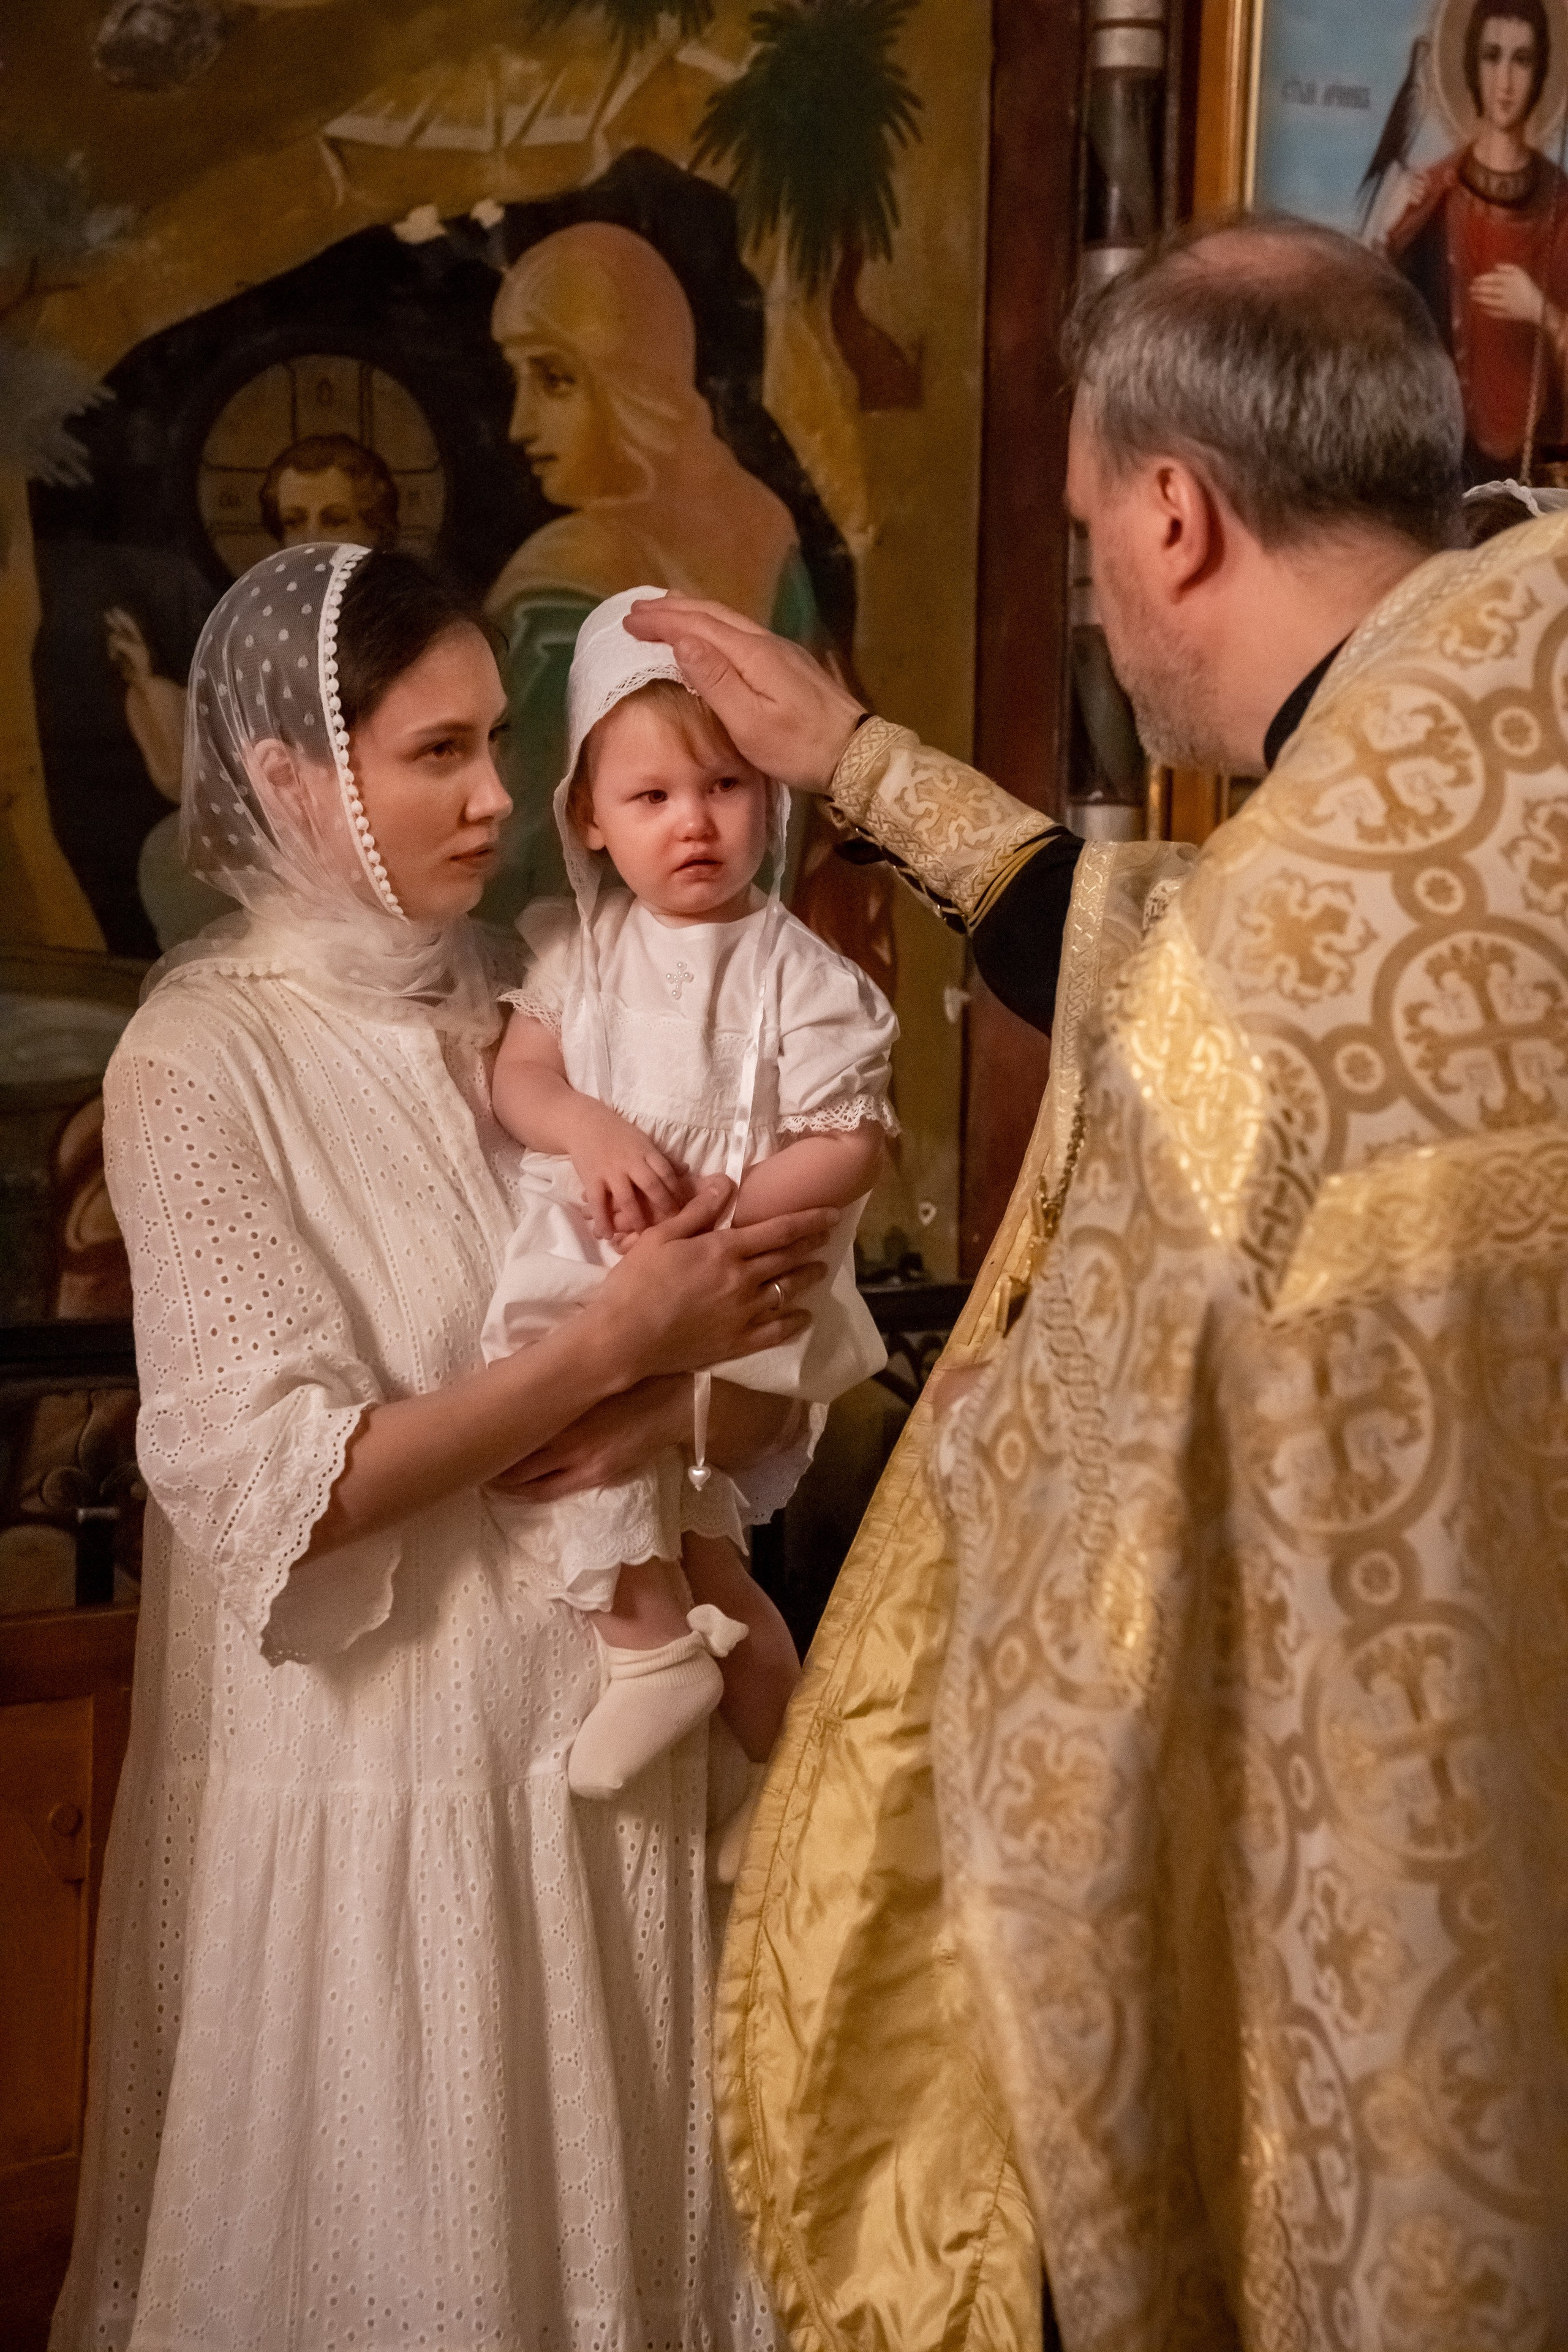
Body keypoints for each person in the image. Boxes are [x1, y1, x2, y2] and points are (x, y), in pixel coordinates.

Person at [626, 216, 1568, 2350]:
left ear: (1174, 511)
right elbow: (1213, 957)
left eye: (1084, 535)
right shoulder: (1499, 754)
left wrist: (980, 1436)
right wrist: (863, 767)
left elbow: (1092, 1628)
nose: (1100, 592)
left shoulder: (1252, 994)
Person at [50, 541, 837, 2352]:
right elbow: (288, 1489)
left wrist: (694, 1361)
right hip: (383, 1785)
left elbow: (741, 1351)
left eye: (499, 741)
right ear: (288, 775)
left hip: (605, 1760)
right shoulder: (197, 1061)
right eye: (435, 751)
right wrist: (618, 1346)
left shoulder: (536, 1009)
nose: (499, 794)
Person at [483, 588, 895, 1805]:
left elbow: (849, 1140)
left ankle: (654, 1652)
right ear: (591, 821)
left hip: (735, 1280)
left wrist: (717, 1216)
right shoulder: (580, 950)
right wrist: (586, 1125)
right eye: (650, 798)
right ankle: (767, 1797)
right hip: (611, 1248)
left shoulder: (796, 974)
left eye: (723, 788)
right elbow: (521, 1072)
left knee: (655, 1467)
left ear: (768, 796)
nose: (693, 824)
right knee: (710, 1553)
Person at [482, 222, 827, 921]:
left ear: (628, 377)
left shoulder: (566, 573)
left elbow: (518, 844)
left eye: (552, 379)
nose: (519, 423)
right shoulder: (765, 530)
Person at [1382, 0, 1568, 477]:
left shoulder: (1563, 208)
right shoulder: (1434, 197)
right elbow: (1379, 334)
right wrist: (1386, 228)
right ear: (1471, 64)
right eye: (1492, 56)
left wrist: (1542, 313)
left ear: (1541, 69)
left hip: (1539, 485)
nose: (1505, 82)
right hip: (1442, 474)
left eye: (1521, 60)